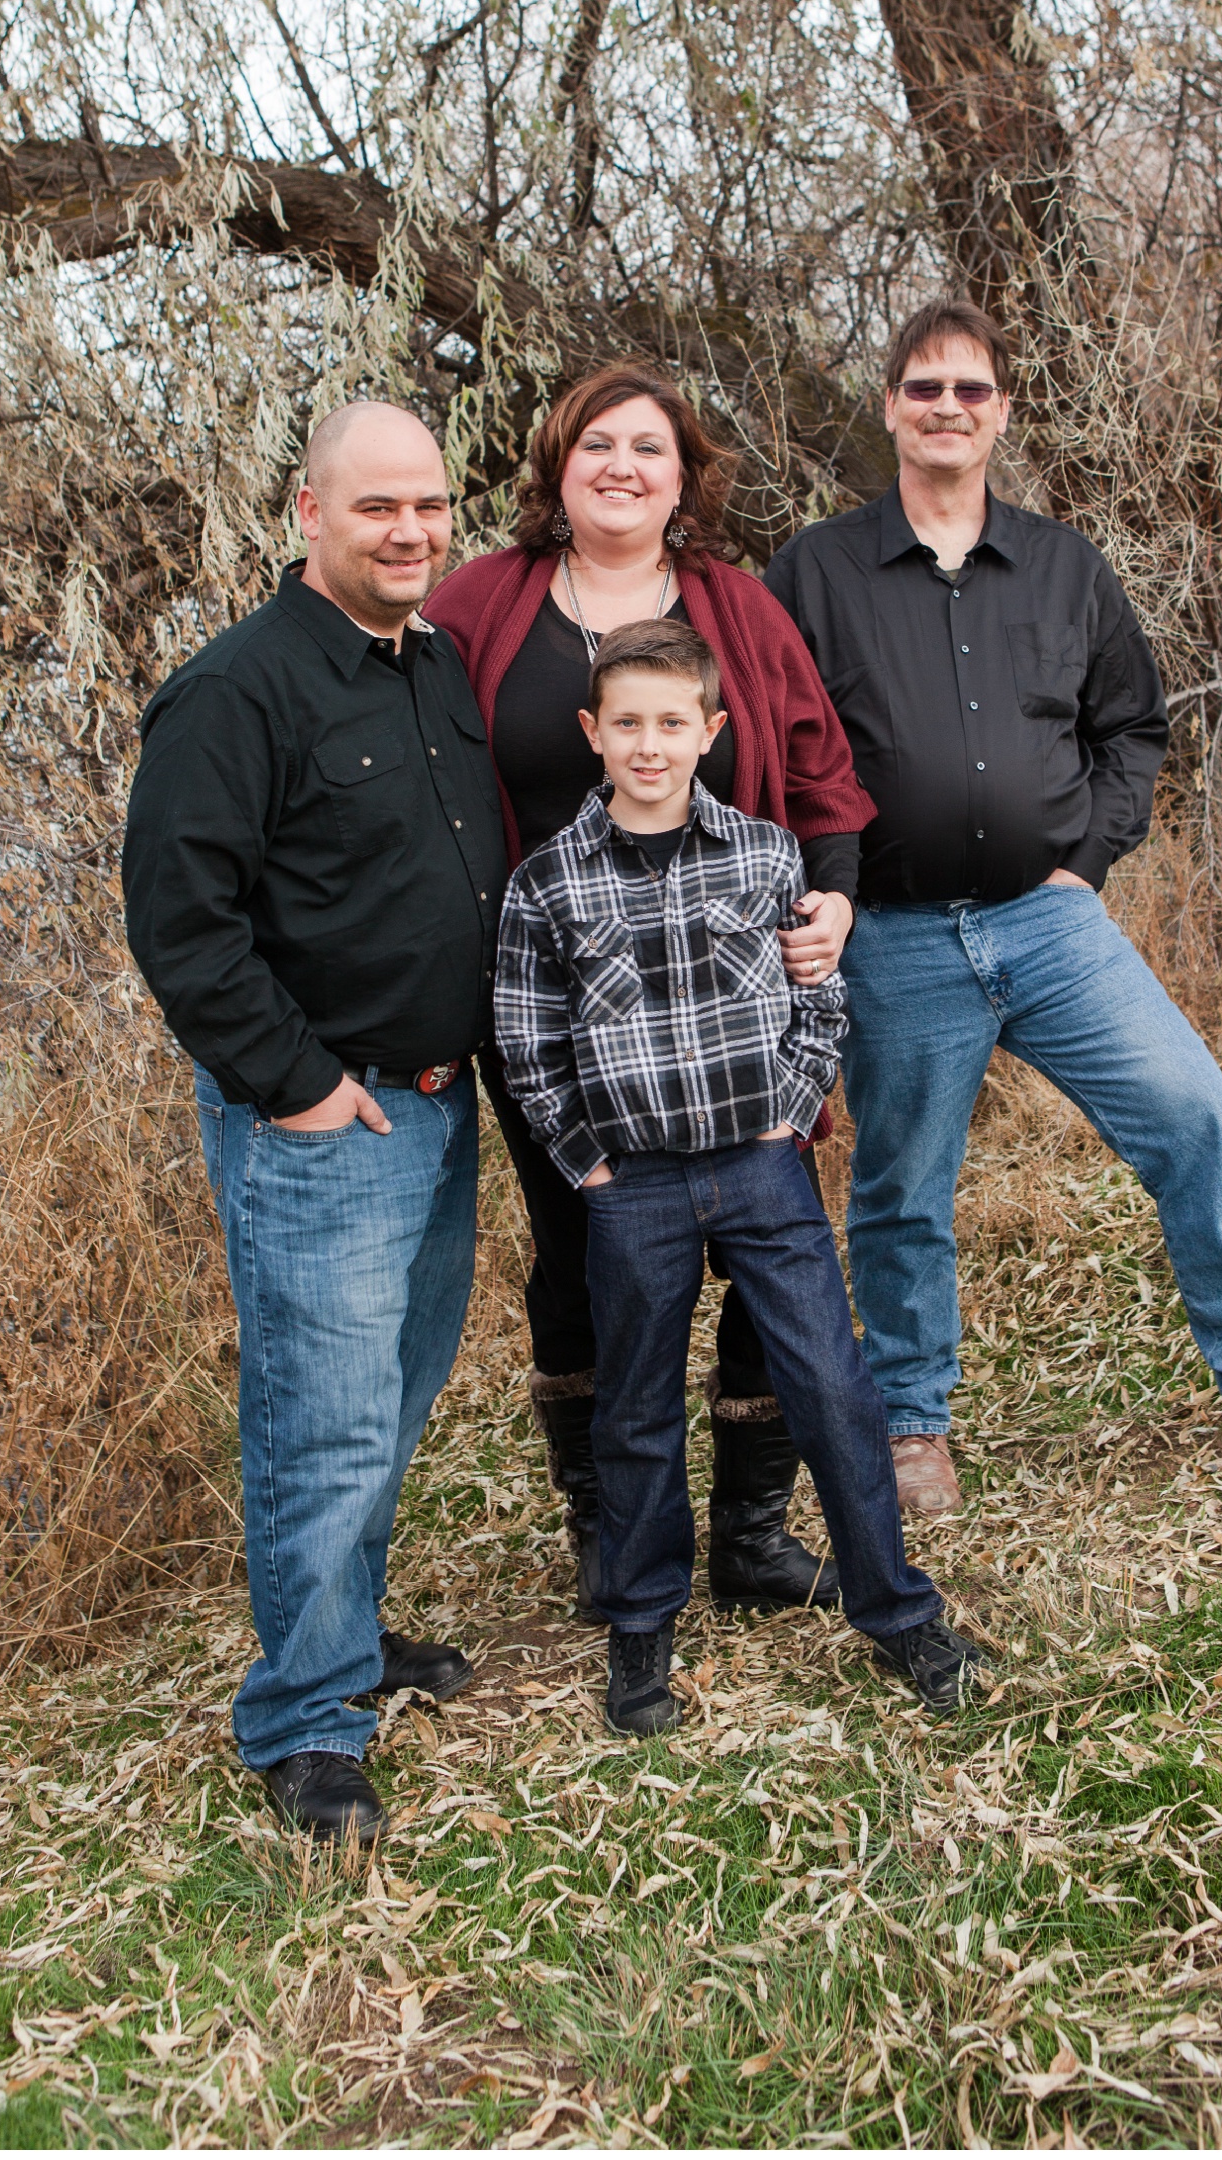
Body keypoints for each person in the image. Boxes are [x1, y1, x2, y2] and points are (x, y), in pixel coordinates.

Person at [763, 299, 1222, 1515]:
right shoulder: (814, 571)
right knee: (904, 1188)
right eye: (924, 387)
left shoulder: (1064, 566)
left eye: (971, 389)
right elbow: (780, 747)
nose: (947, 407)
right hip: (896, 935)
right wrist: (822, 892)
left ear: (1002, 410)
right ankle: (913, 1423)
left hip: (1050, 922)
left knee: (1194, 1114)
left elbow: (1132, 728)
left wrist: (1088, 856)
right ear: (890, 405)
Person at [425, 365, 876, 1618]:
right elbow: (417, 772)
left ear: (685, 477)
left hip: (734, 1003)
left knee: (765, 1251)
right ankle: (610, 1529)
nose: (622, 465)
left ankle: (751, 1530)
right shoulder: (479, 606)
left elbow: (818, 770)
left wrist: (831, 897)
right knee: (580, 1261)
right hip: (560, 1018)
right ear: (554, 469)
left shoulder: (742, 610)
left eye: (649, 448)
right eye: (596, 445)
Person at [122, 401, 506, 1848]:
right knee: (320, 1427)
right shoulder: (235, 693)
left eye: (427, 507)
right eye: (376, 510)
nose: (409, 532)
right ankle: (304, 1725)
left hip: (436, 1104)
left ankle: (344, 1640)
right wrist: (296, 1087)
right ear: (306, 515)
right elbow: (182, 924)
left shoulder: (437, 667)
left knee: (386, 1408)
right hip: (323, 1124)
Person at [494, 617, 980, 1734]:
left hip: (762, 1168)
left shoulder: (764, 854)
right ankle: (640, 1622)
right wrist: (591, 1162)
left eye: (673, 722)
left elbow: (818, 995)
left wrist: (791, 1109)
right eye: (628, 723)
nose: (650, 744)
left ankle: (896, 1609)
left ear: (711, 730)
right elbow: (527, 1039)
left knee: (831, 1388)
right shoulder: (548, 884)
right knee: (635, 1408)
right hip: (637, 1186)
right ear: (592, 732)